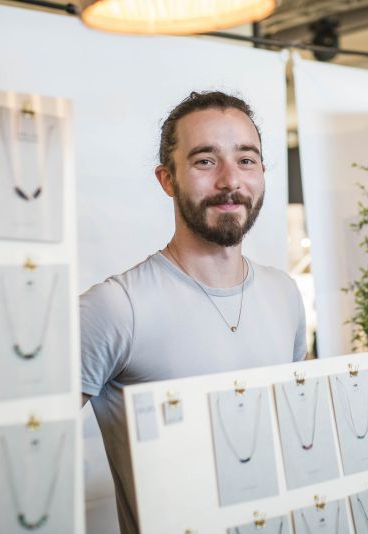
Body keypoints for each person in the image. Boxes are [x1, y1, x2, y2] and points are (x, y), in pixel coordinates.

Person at [80, 90, 307, 533]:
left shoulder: (285, 293)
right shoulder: (117, 306)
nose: (230, 180)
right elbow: (21, 443)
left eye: (246, 160)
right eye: (205, 161)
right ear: (167, 179)